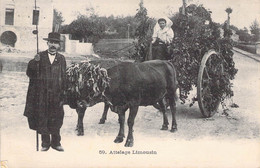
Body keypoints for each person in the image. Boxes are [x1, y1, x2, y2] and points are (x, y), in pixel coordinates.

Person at [24, 32, 67, 152]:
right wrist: (34, 63)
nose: (53, 45)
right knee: (43, 117)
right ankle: (45, 143)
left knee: (57, 118)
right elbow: (30, 74)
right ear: (47, 43)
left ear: (58, 45)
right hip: (42, 95)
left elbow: (64, 77)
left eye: (56, 43)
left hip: (56, 94)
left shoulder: (62, 59)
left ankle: (56, 143)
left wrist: (63, 94)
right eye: (51, 42)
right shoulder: (40, 57)